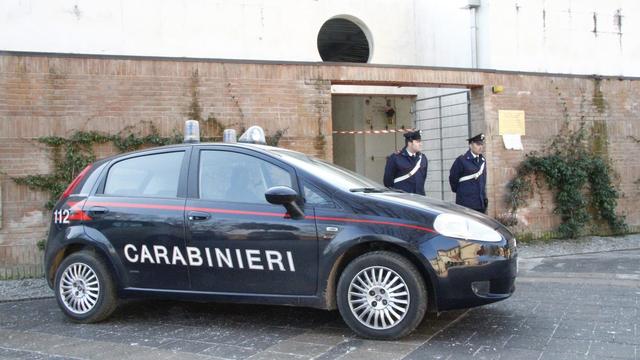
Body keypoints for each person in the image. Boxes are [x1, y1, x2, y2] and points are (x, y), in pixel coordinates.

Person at [449, 133, 488, 213]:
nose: (481, 147)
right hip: (466, 204)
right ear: (470, 145)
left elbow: (483, 181)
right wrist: (462, 191)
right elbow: (453, 179)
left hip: (480, 203)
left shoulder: (482, 160)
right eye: (478, 144)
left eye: (481, 144)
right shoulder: (461, 160)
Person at [383, 130, 428, 195]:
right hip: (403, 200)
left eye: (420, 142)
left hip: (419, 198)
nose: (421, 144)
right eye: (417, 142)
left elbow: (423, 179)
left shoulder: (423, 158)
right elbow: (388, 182)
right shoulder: (395, 158)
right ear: (409, 143)